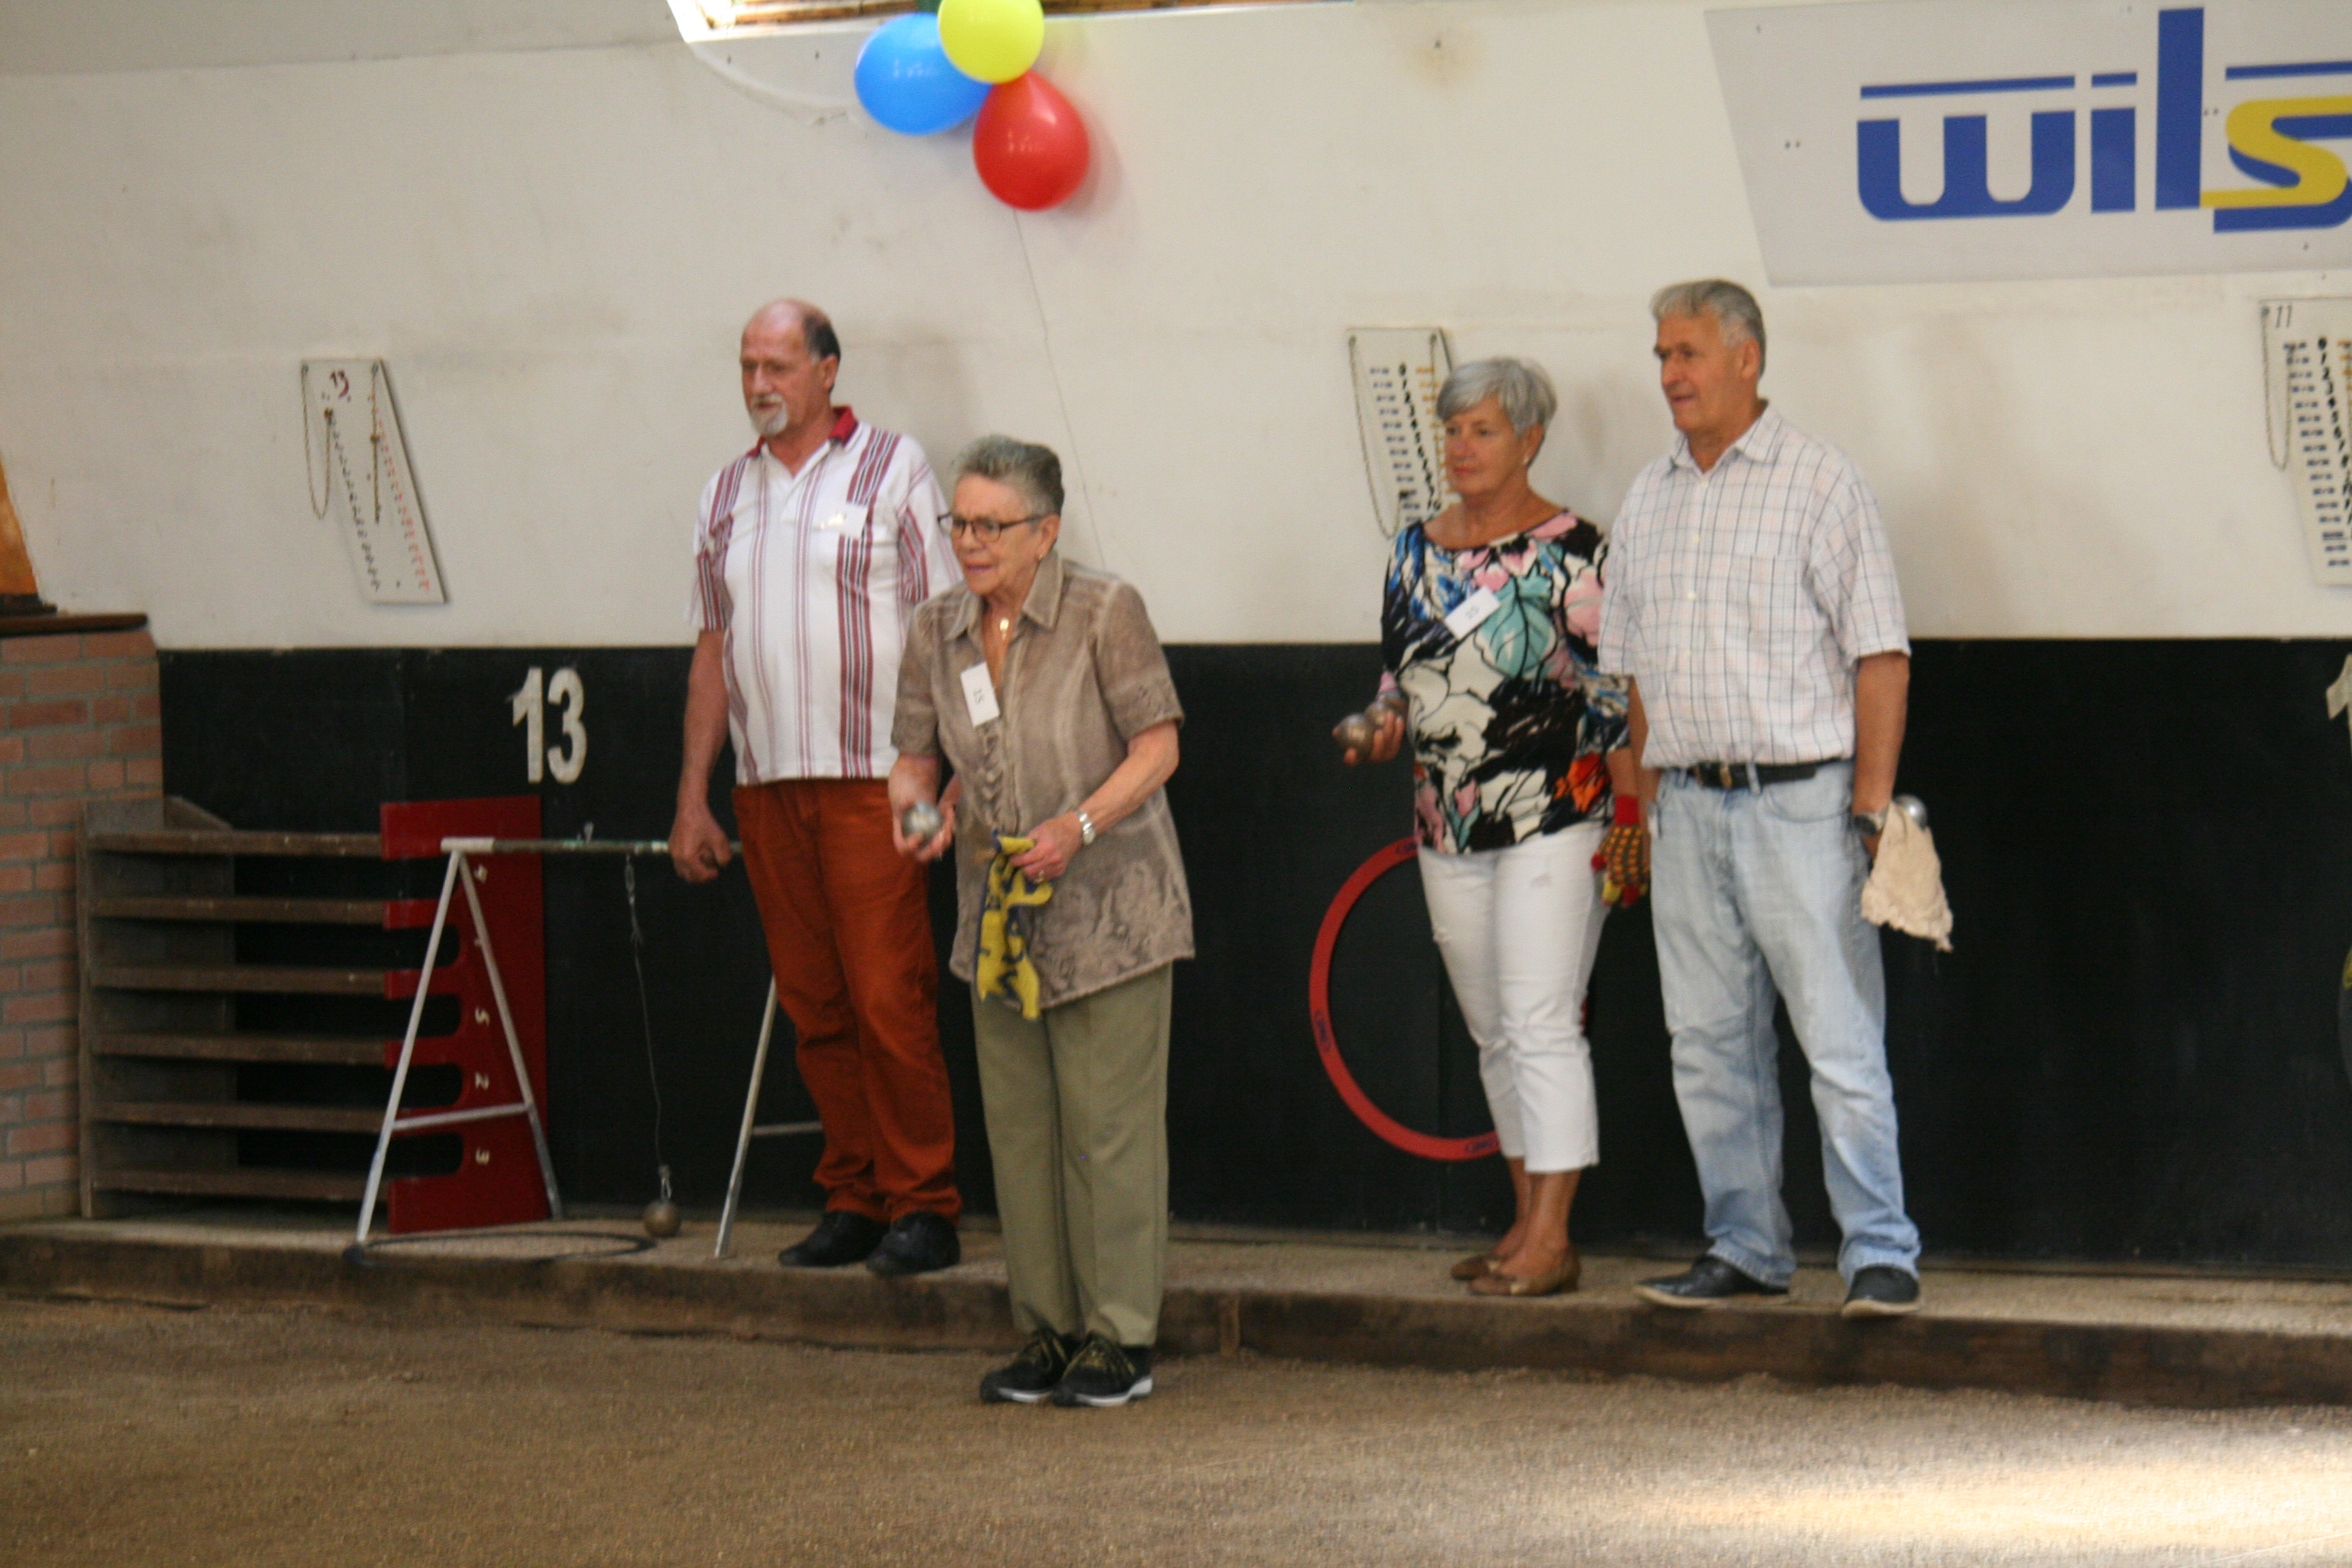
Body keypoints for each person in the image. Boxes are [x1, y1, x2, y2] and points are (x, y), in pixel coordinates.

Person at [1598, 279, 1924, 1318]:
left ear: (1748, 358)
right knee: (1706, 1044)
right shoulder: (1647, 497)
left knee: (1838, 1038)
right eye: (1661, 356)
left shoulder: (1821, 481)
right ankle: (1745, 1247)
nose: (1670, 374)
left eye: (1688, 353)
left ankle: (1880, 1251)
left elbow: (1881, 654)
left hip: (1802, 806)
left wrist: (1869, 809)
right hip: (1688, 805)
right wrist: (1641, 809)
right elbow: (1632, 671)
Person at [889, 435, 1192, 1409]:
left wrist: (1079, 827)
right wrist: (917, 818)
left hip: (1112, 913)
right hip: (998, 924)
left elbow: (1158, 748)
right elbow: (914, 761)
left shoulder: (1106, 609)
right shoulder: (936, 627)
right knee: (1020, 1134)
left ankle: (1121, 1338)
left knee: (1107, 1134)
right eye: (960, 523)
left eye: (992, 525)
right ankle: (1047, 1332)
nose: (970, 542)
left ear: (1045, 532)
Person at [671, 299, 964, 1277]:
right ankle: (855, 1197)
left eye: (779, 366)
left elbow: (946, 628)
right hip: (767, 790)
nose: (760, 384)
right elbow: (712, 650)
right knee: (815, 1005)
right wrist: (694, 796)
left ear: (828, 371)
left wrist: (949, 778)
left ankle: (924, 1204)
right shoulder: (724, 494)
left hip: (883, 782)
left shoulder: (895, 468)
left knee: (889, 995)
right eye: (747, 366)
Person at [1343, 358, 1642, 1299]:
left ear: (1530, 439)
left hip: (1558, 815)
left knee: (1542, 1022)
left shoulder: (1576, 550)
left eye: (1482, 430)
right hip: (1447, 823)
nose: (1461, 448)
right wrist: (1381, 722)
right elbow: (1399, 676)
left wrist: (1632, 815)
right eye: (1452, 430)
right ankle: (1524, 1223)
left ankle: (1554, 1236)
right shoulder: (1412, 549)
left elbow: (1616, 696)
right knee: (1494, 1033)